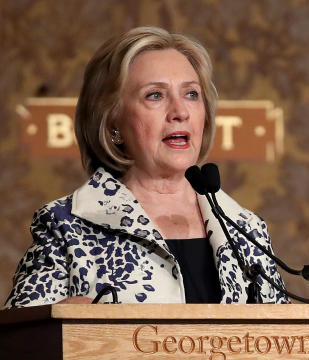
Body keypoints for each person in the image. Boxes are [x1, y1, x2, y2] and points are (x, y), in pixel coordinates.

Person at [4, 27, 289, 308]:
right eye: (155, 95)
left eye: (191, 94)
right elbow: (19, 341)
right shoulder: (66, 226)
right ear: (113, 121)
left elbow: (284, 343)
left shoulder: (245, 229)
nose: (180, 112)